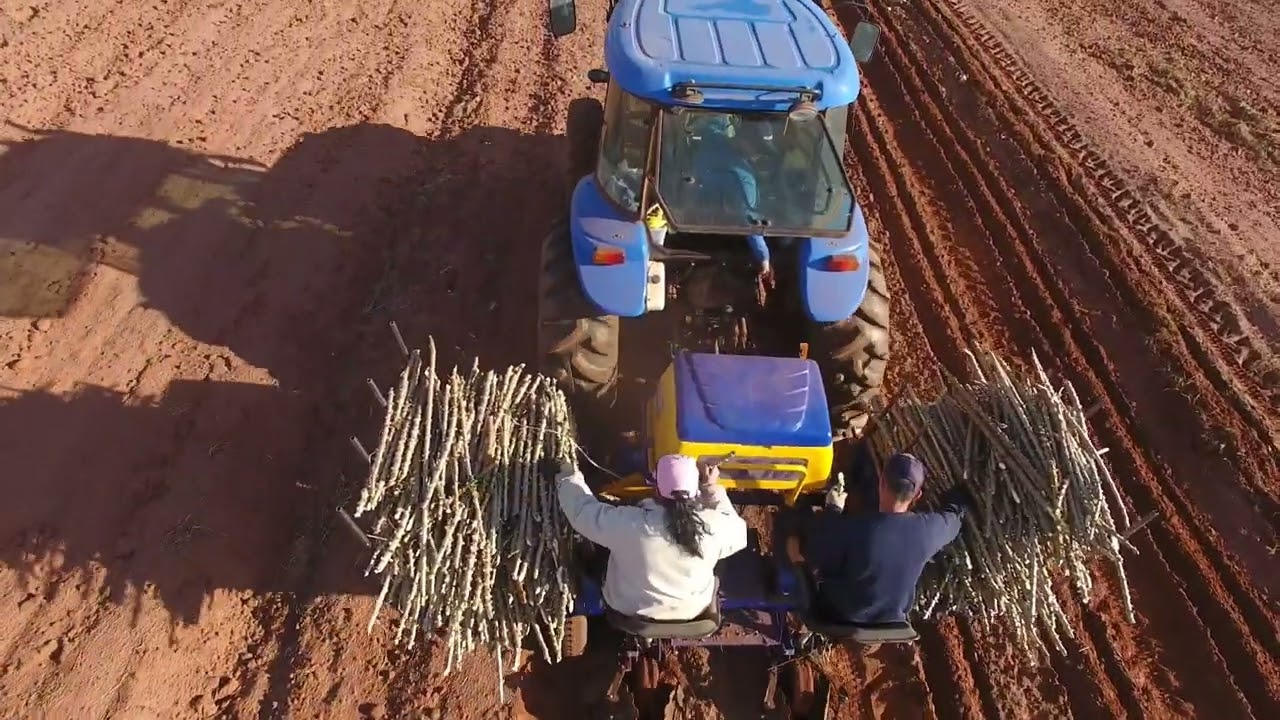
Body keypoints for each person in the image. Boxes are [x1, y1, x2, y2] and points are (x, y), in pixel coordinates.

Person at [554, 454, 749, 621]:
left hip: (628, 608)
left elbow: (583, 512)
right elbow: (739, 535)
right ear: (695, 490)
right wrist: (710, 487)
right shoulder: (714, 527)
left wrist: (567, 475)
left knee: (595, 551)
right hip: (692, 611)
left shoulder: (630, 524)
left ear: (656, 488)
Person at [802, 452, 974, 625]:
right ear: (917, 495)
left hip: (841, 614)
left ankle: (794, 617)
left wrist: (832, 510)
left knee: (794, 538)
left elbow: (816, 554)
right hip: (892, 618)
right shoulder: (927, 530)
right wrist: (960, 490)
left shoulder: (855, 529)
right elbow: (953, 518)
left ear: (882, 482)